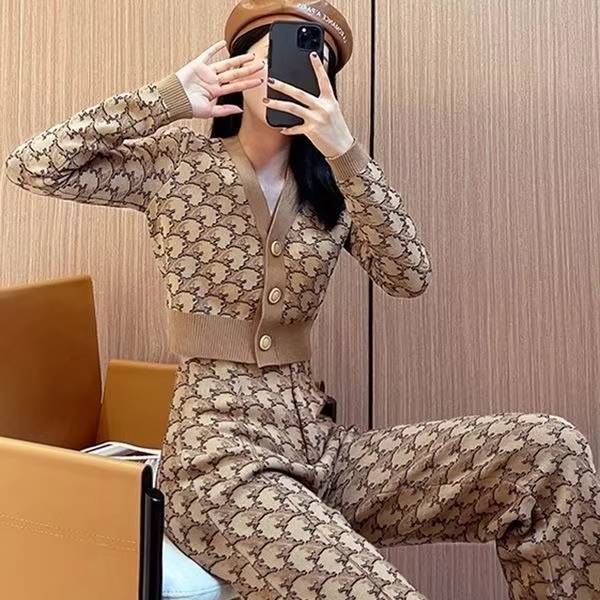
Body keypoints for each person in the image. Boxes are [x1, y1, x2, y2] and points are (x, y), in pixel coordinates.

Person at [4, 1, 600, 598]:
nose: (283, 76)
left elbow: (409, 274)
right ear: (235, 70)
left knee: (548, 451)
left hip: (324, 454)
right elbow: (32, 165)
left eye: (308, 63)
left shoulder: (335, 188)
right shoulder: (177, 164)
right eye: (267, 60)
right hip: (220, 467)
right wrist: (168, 98)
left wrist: (345, 152)